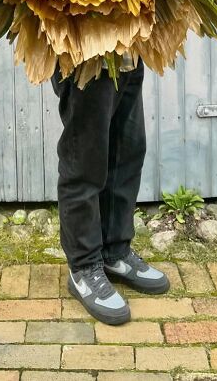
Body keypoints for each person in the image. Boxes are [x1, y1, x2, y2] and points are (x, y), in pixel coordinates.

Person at [51, 56, 169, 325]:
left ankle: (114, 252)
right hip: (85, 55)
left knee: (127, 152)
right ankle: (83, 267)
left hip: (128, 49)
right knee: (84, 162)